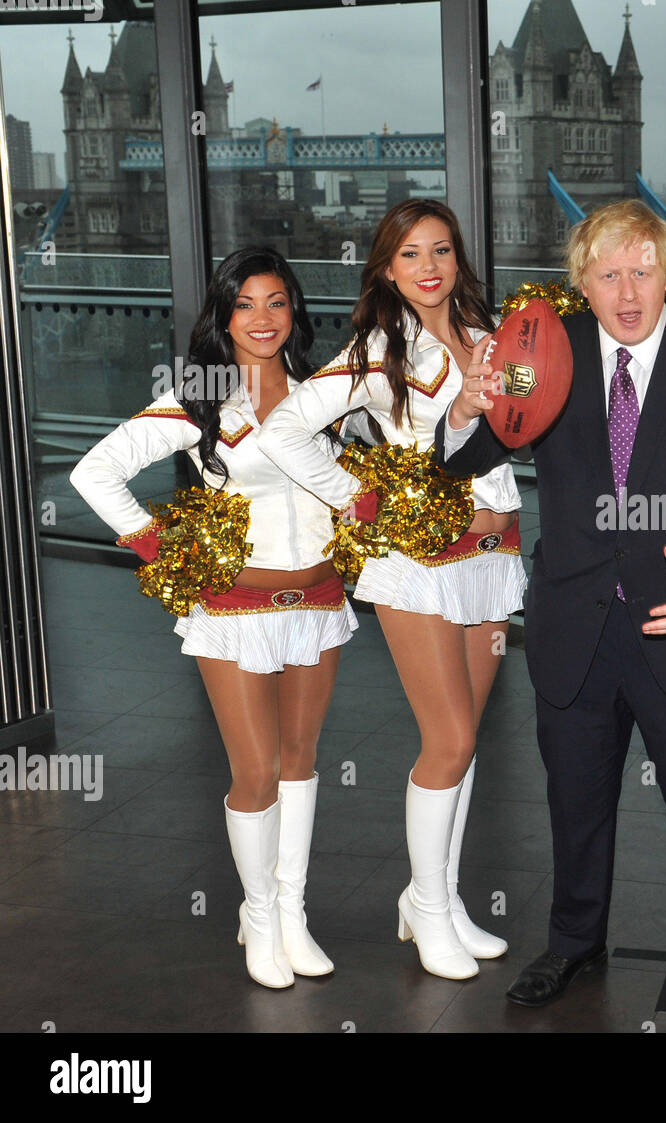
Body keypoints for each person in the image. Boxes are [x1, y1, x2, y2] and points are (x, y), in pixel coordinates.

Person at [435, 200, 666, 1021]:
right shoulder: (540, 353)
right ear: (582, 282)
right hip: (574, 625)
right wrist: (465, 407)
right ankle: (573, 940)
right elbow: (466, 457)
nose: (628, 292)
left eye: (643, 271)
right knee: (574, 798)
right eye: (608, 273)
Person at [71, 247, 355, 988]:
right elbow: (93, 470)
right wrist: (158, 548)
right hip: (232, 607)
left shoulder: (324, 393)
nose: (262, 319)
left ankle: (291, 911)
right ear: (222, 316)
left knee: (300, 761)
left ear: (295, 310)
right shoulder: (200, 395)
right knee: (255, 767)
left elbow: (357, 478)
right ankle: (257, 912)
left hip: (318, 599)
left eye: (277, 302)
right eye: (245, 304)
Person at [258, 200, 524, 980]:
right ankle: (430, 911)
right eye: (410, 254)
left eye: (441, 249)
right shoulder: (378, 350)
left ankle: (433, 895)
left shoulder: (486, 337)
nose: (430, 266)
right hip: (417, 562)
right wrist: (358, 497)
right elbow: (285, 430)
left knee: (466, 738)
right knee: (449, 741)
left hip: (492, 551)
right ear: (385, 268)